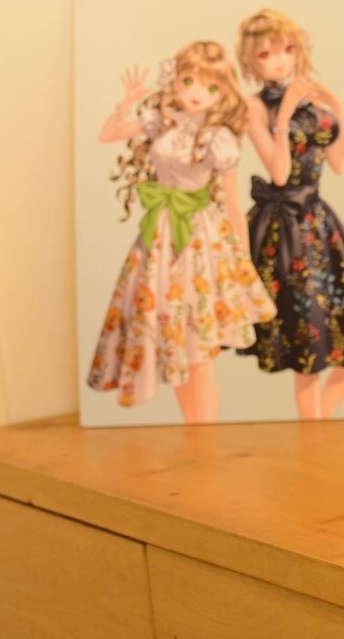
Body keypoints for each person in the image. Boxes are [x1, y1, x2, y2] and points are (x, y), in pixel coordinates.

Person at [88, 42, 275, 421]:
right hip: (159, 236)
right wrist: (127, 102)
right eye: (188, 81)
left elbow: (232, 202)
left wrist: (242, 262)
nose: (196, 93)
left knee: (199, 347)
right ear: (174, 81)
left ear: (222, 93)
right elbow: (107, 135)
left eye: (211, 87)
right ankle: (193, 428)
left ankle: (205, 431)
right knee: (174, 341)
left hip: (201, 237)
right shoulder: (163, 121)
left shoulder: (220, 138)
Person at [235, 8, 344, 420]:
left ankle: (317, 422)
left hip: (318, 222)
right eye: (267, 54)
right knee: (306, 338)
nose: (280, 61)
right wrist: (286, 114)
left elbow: (338, 163)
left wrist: (336, 107)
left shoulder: (310, 99)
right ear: (250, 61)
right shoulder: (253, 107)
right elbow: (278, 173)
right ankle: (313, 426)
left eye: (288, 50)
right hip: (283, 230)